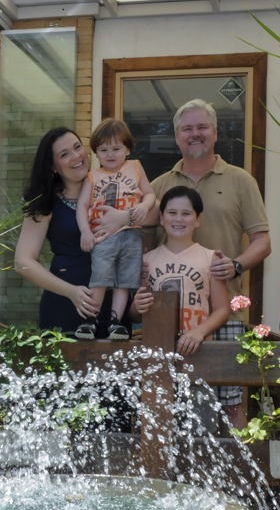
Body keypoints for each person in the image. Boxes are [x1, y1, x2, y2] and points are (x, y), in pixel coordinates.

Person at [127, 99, 271, 427]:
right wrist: (139, 276)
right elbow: (141, 239)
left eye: (202, 127)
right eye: (187, 129)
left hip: (226, 313)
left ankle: (234, 476)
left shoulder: (241, 180)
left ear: (215, 133)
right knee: (167, 403)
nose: (195, 134)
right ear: (177, 136)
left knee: (232, 405)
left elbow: (263, 243)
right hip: (170, 320)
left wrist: (235, 265)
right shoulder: (159, 185)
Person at [15, 126, 127, 336]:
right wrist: (71, 292)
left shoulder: (115, 185)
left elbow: (159, 213)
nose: (76, 156)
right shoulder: (46, 203)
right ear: (53, 166)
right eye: (64, 154)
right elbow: (23, 263)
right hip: (67, 305)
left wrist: (126, 216)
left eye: (77, 147)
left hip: (114, 307)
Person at [73, 118, 155, 341]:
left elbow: (149, 193)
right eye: (103, 149)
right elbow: (82, 205)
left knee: (125, 281)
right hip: (103, 235)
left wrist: (145, 205)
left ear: (127, 149)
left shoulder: (135, 167)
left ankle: (115, 322)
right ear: (96, 154)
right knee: (101, 277)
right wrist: (85, 231)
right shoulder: (93, 176)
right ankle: (90, 320)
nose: (110, 154)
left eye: (116, 148)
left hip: (132, 234)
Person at [131, 186, 230, 356]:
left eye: (186, 213)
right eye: (172, 213)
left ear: (198, 219)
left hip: (197, 347)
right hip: (156, 349)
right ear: (161, 218)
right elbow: (135, 315)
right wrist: (136, 306)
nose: (178, 219)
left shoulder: (211, 258)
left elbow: (222, 309)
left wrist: (199, 332)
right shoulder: (147, 260)